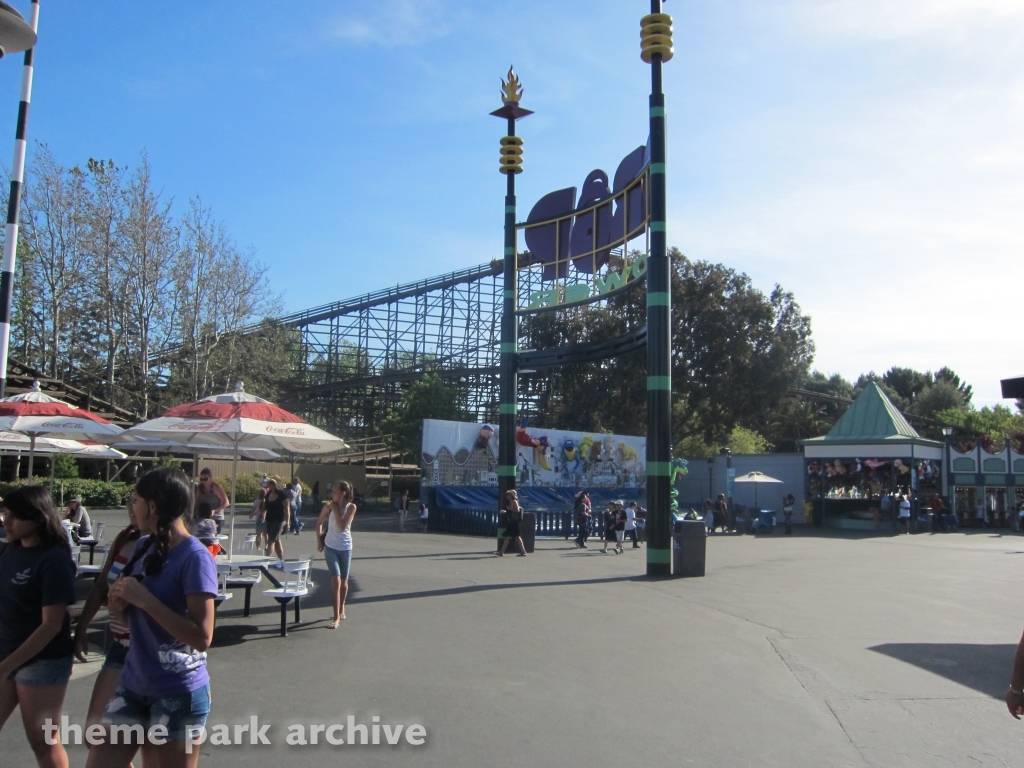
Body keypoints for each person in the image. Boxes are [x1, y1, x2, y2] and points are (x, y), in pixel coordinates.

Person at [86, 467, 218, 768]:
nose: (132, 506)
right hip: (133, 683)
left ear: (153, 506)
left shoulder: (195, 557)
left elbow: (203, 637)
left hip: (177, 692)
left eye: (137, 500)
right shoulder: (144, 545)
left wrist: (145, 600)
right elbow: (126, 607)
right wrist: (119, 604)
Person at [0, 486, 77, 768]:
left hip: (42, 661)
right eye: (5, 514)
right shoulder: (10, 551)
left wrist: (7, 665)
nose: (6, 522)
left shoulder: (54, 560)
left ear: (37, 518)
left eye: (14, 517)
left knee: (43, 741)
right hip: (7, 654)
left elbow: (50, 626)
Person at [72, 498, 141, 753]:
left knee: (145, 744)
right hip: (120, 647)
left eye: (140, 501)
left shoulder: (173, 548)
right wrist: (82, 628)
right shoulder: (124, 538)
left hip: (150, 652)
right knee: (95, 735)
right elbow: (102, 584)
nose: (132, 507)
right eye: (131, 501)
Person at [316, 480, 357, 629]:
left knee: (344, 583)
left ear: (342, 493)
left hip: (346, 548)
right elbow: (319, 522)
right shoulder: (328, 507)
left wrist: (334, 508)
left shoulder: (351, 507)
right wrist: (319, 541)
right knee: (336, 581)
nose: (331, 493)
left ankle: (342, 607)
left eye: (334, 490)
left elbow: (342, 527)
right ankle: (336, 617)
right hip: (331, 547)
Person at [263, 477, 292, 559]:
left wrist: (287, 523)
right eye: (269, 484)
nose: (270, 485)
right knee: (276, 539)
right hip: (269, 519)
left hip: (279, 520)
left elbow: (287, 509)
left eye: (272, 484)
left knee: (271, 540)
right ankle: (281, 559)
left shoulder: (282, 495)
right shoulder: (268, 494)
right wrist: (258, 513)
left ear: (275, 484)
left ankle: (266, 560)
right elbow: (265, 507)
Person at [194, 469, 228, 535]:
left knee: (213, 539)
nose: (203, 481)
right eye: (201, 479)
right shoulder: (200, 488)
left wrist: (214, 511)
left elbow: (226, 502)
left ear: (210, 478)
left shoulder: (216, 487)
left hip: (216, 517)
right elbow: (196, 501)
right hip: (203, 518)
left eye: (205, 479)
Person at [495, 490, 526, 556]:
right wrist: (506, 511)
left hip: (514, 523)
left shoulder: (514, 502)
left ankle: (502, 552)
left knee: (514, 537)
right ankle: (502, 552)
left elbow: (517, 510)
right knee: (513, 537)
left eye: (508, 494)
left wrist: (509, 509)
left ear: (511, 496)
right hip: (512, 522)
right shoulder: (511, 502)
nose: (507, 496)